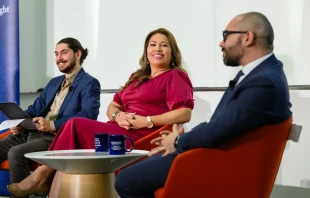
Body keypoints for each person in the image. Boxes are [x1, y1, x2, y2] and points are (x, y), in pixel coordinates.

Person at [115, 12, 292, 198]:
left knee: (126, 180)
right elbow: (223, 123)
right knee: (133, 170)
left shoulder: (263, 82)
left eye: (226, 36)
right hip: (209, 152)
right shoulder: (260, 73)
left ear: (248, 37)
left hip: (215, 161)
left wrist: (177, 141)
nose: (221, 43)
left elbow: (221, 129)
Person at [7, 28, 194, 197]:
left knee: (75, 124)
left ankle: (41, 175)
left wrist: (146, 121)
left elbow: (184, 113)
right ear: (146, 51)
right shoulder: (137, 77)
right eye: (153, 45)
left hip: (142, 133)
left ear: (172, 51)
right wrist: (117, 115)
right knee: (74, 135)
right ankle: (47, 180)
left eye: (164, 45)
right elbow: (113, 106)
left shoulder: (175, 75)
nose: (158, 49)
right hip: (117, 127)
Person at [0, 37, 101, 198]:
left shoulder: (89, 83)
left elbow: (89, 115)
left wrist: (53, 125)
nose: (59, 58)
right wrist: (19, 122)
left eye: (64, 53)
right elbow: (35, 109)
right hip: (30, 132)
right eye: (56, 54)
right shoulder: (54, 83)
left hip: (54, 136)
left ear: (78, 54)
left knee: (15, 152)